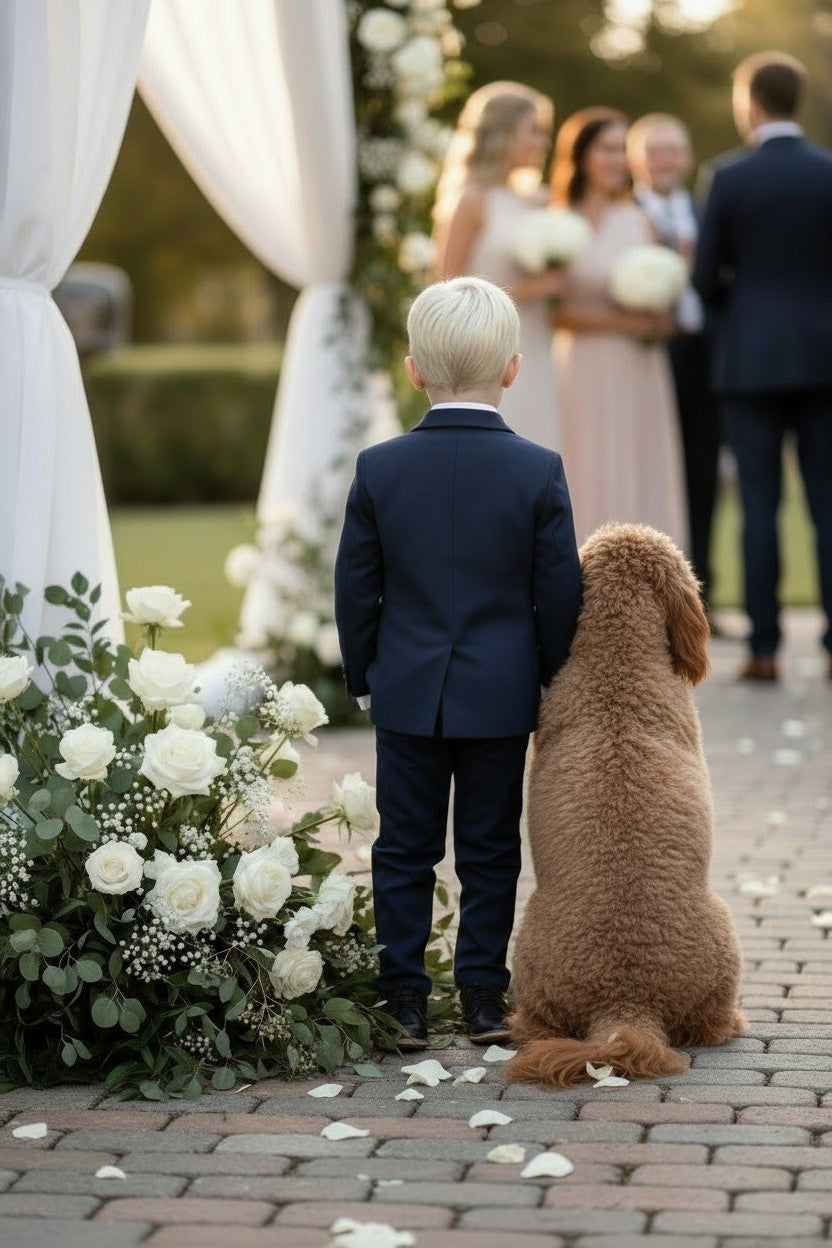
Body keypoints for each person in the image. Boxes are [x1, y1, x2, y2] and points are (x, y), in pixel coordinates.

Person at [334, 276, 582, 1048]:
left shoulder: (380, 468)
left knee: (402, 847)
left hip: (406, 692)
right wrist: (547, 675)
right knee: (489, 847)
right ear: (513, 368)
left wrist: (363, 675)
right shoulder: (537, 470)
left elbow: (356, 587)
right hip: (501, 694)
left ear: (414, 370)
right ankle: (481, 997)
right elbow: (559, 593)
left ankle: (403, 998)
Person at [694, 52, 832, 682]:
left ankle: (765, 649)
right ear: (797, 101)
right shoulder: (827, 172)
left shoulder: (727, 176)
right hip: (825, 360)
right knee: (827, 506)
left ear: (751, 102)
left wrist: (743, 317)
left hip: (749, 362)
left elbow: (704, 278)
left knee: (758, 505)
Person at [551, 107, 687, 550]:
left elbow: (666, 314)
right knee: (584, 464)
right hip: (583, 366)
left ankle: (649, 588)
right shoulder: (557, 222)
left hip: (639, 367)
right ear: (582, 155)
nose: (617, 159)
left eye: (622, 150)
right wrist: (621, 322)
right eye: (607, 149)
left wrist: (660, 316)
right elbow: (555, 312)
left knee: (639, 463)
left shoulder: (639, 220)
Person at [433, 82, 563, 449]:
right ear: (504, 134)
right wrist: (535, 289)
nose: (543, 143)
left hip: (540, 347)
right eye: (533, 131)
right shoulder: (472, 201)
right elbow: (446, 290)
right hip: (491, 353)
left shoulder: (539, 201)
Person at [628, 114, 722, 620]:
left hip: (703, 360)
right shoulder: (625, 213)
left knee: (702, 476)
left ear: (686, 158)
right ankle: (643, 600)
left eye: (674, 151)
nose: (666, 161)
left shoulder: (708, 211)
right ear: (638, 159)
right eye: (655, 151)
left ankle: (697, 603)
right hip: (644, 357)